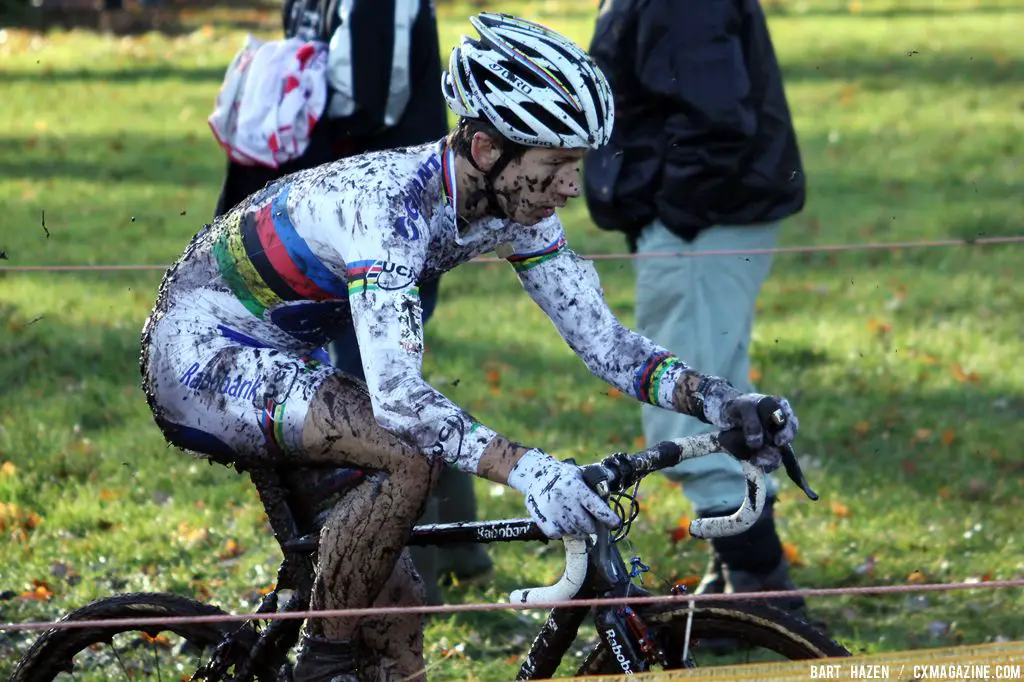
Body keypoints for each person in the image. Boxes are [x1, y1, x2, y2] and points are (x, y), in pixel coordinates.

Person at [140, 13, 801, 680]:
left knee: (398, 615)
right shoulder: (388, 211)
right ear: (488, 149)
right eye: (558, 164)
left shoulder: (514, 205)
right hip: (203, 356)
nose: (572, 186)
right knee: (407, 456)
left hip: (285, 355)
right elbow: (399, 399)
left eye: (578, 163)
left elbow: (605, 343)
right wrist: (529, 470)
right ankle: (324, 660)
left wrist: (718, 400)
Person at [211, 0, 493, 602]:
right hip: (334, 217)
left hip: (383, 213)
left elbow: (372, 98)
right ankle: (456, 552)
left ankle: (407, 574)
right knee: (370, 386)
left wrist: (286, 87)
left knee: (372, 398)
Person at [583, 0, 809, 613]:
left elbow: (713, 118)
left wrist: (671, 211)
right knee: (718, 387)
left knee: (694, 407)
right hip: (704, 218)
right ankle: (740, 575)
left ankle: (762, 591)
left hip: (701, 222)